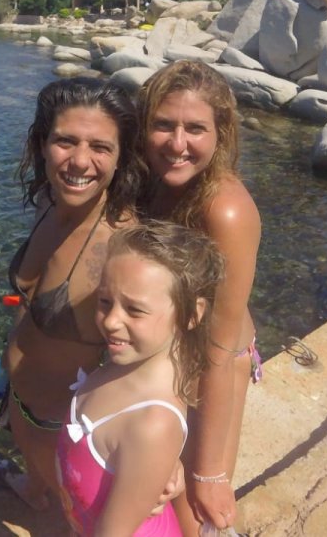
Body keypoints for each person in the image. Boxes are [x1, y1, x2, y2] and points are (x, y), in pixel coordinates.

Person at [4, 78, 145, 510]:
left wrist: (156, 457)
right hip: (23, 405)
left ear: (121, 158)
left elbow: (156, 362)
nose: (80, 162)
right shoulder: (51, 199)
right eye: (65, 141)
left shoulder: (123, 250)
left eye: (100, 147)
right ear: (41, 144)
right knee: (42, 482)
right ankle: (34, 488)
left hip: (60, 428)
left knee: (76, 517)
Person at [137, 61, 263, 534]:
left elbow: (221, 345)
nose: (177, 143)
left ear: (221, 132)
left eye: (195, 129)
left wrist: (211, 472)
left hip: (219, 357)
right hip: (174, 348)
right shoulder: (154, 179)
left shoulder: (225, 211)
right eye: (164, 125)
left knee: (195, 496)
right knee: (158, 479)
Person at [57, 220, 224, 536]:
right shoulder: (120, 365)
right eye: (105, 302)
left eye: (134, 310)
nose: (111, 321)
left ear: (192, 314)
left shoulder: (152, 424)